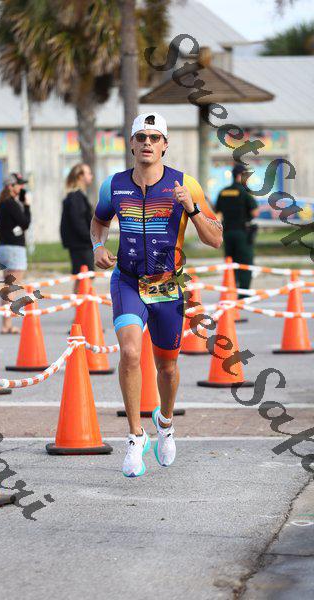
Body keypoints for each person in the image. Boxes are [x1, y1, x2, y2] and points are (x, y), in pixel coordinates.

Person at [90, 112, 222, 477]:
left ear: (164, 145)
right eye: (141, 137)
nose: (147, 143)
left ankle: (165, 422)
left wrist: (192, 208)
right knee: (131, 353)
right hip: (128, 280)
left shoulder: (185, 183)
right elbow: (99, 221)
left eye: (154, 137)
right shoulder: (114, 185)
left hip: (167, 284)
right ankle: (135, 437)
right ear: (132, 144)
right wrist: (98, 246)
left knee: (167, 366)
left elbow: (215, 239)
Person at [215, 163, 259, 298]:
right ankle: (243, 295)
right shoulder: (245, 192)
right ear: (240, 176)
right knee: (245, 264)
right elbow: (255, 212)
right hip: (242, 233)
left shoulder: (223, 192)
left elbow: (217, 213)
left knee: (230, 262)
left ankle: (231, 291)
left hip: (227, 233)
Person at [0, 173, 31, 334]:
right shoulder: (11, 203)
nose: (21, 187)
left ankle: (6, 323)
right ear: (11, 186)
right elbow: (25, 222)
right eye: (19, 184)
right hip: (14, 249)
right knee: (12, 287)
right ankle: (7, 323)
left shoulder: (2, 203)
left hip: (4, 247)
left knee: (8, 286)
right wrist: (27, 205)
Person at [60, 163, 94, 293]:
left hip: (82, 244)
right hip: (81, 246)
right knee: (84, 278)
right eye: (88, 173)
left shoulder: (79, 196)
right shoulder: (75, 197)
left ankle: (80, 303)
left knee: (83, 278)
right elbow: (78, 222)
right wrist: (91, 238)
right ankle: (80, 304)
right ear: (80, 176)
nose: (91, 176)